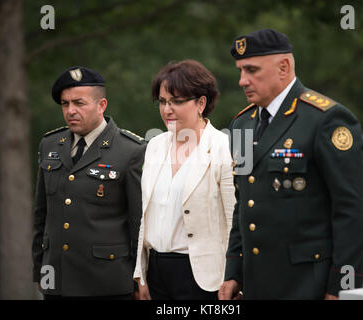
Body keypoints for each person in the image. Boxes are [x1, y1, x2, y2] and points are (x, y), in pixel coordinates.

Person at [218, 29, 363, 300]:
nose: (242, 80)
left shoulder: (327, 119)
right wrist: (233, 271)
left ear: (284, 67)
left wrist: (341, 288)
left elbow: (352, 211)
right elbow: (243, 204)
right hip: (256, 283)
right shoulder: (241, 125)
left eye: (252, 70)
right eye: (240, 70)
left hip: (306, 284)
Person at [31, 66, 146, 299]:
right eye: (65, 104)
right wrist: (39, 271)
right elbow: (41, 215)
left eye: (79, 103)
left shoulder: (130, 150)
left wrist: (139, 278)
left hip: (107, 284)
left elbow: (138, 223)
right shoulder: (50, 145)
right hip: (57, 280)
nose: (71, 111)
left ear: (101, 105)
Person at [133, 59, 236, 300]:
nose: (167, 109)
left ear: (201, 103)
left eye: (177, 101)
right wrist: (141, 274)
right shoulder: (154, 145)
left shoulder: (223, 147)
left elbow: (234, 220)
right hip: (156, 273)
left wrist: (234, 276)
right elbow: (144, 215)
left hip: (204, 277)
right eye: (162, 102)